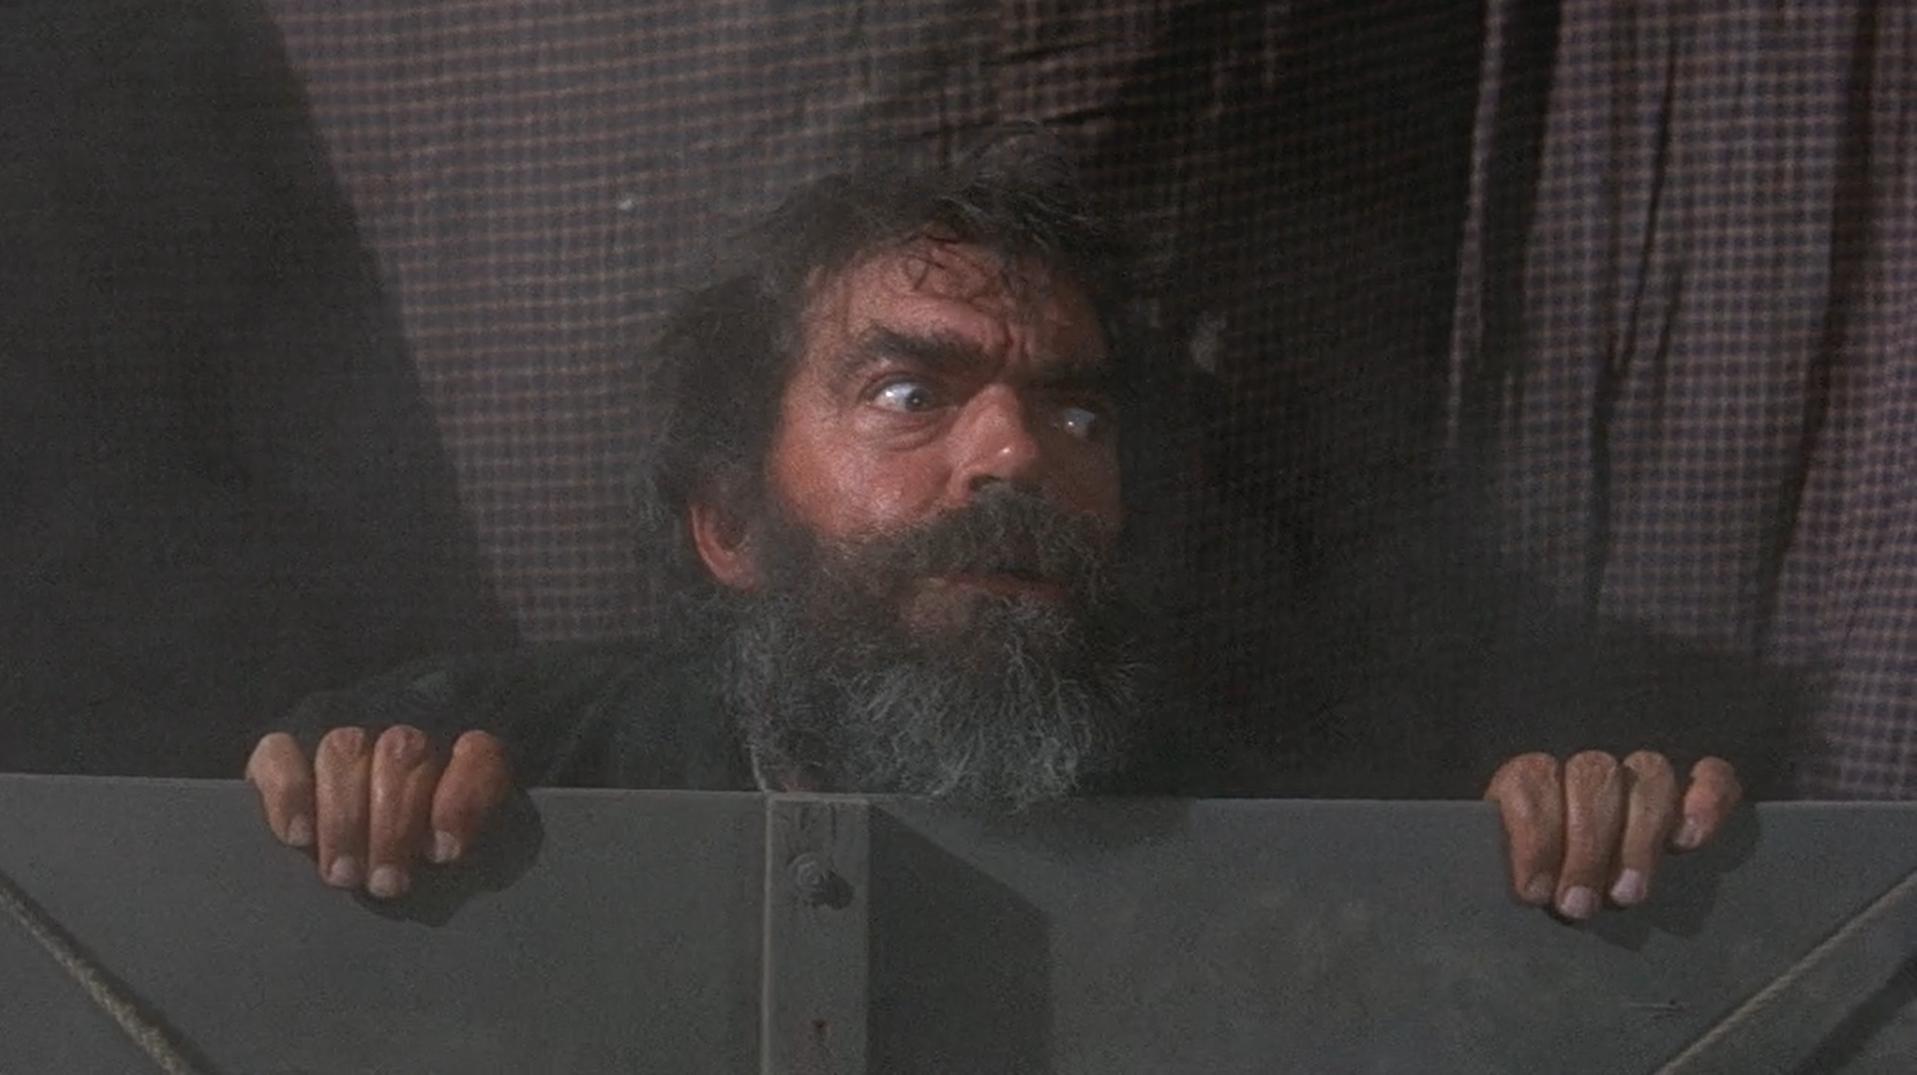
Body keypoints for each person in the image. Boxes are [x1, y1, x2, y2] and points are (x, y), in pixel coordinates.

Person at [243, 145, 1741, 925]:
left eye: (1076, 412)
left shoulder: (1278, 813)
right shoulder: (527, 763)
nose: (1017, 455)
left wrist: (1576, 847)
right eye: (909, 394)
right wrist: (350, 816)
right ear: (729, 520)